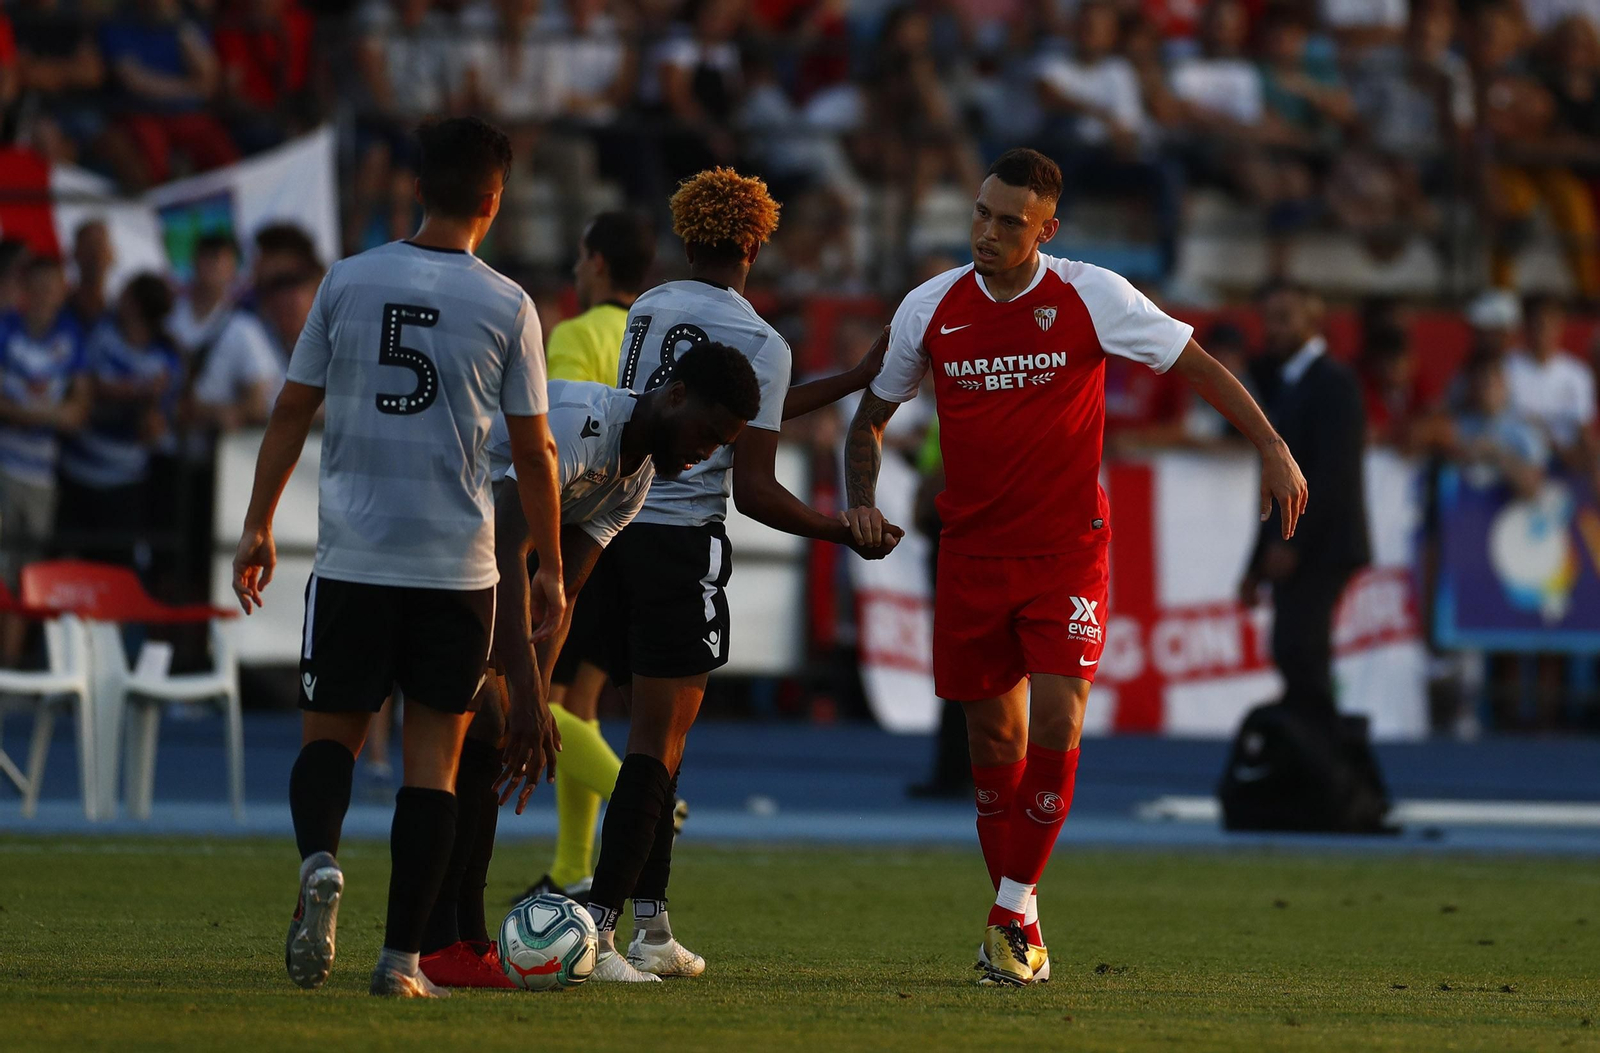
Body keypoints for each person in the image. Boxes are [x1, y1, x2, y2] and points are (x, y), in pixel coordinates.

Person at [841, 149, 1307, 987]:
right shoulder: (930, 307)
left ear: (1045, 230)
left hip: (1067, 550)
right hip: (974, 554)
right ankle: (1020, 916)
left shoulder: (1094, 295)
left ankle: (1009, 907)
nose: (986, 231)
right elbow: (867, 421)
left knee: (1058, 721)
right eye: (981, 213)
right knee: (994, 738)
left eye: (1008, 222)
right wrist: (862, 501)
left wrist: (1270, 445)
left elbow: (1193, 362)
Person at [229, 117, 566, 1000]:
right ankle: (401, 961)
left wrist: (259, 523)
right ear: (494, 203)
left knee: (330, 736)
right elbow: (535, 455)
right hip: (458, 569)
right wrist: (553, 568)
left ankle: (319, 860)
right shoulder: (507, 304)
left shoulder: (347, 280)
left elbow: (292, 410)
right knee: (435, 768)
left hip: (354, 558)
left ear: (416, 187)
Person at [580, 166, 900, 983]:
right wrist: (841, 529)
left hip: (610, 531)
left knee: (657, 740)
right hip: (682, 540)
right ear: (758, 242)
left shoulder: (648, 307)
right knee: (659, 744)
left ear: (689, 236)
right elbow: (752, 483)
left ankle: (651, 924)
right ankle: (601, 932)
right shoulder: (762, 337)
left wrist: (850, 380)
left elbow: (716, 410)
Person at [418, 349, 759, 989]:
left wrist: (538, 699)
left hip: (472, 561)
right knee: (481, 723)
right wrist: (522, 692)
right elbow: (509, 550)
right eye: (709, 433)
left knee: (494, 732)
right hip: (427, 537)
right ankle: (437, 940)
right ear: (676, 394)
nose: (708, 452)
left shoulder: (635, 479)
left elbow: (560, 595)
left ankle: (463, 938)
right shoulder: (579, 427)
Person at [520, 210, 660, 902]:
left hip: (585, 531)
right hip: (639, 530)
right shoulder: (652, 335)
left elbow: (554, 437)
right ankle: (574, 863)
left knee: (544, 695)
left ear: (598, 263)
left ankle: (643, 799)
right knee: (585, 701)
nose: (576, 269)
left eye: (580, 257)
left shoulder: (577, 334)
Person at [1237, 282, 1371, 730]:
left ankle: (1324, 756)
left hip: (1323, 543)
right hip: (1303, 540)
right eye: (1268, 319)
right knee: (1294, 649)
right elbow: (1276, 480)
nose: (1271, 330)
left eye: (1283, 318)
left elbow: (1332, 476)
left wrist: (1292, 543)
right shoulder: (1291, 383)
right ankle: (1311, 756)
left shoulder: (1333, 382)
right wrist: (1256, 564)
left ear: (1311, 321)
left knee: (1302, 649)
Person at [55, 273, 182, 570]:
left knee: (115, 572)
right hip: (76, 473)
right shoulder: (101, 333)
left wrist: (148, 403)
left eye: (124, 294)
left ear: (135, 305)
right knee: (65, 569)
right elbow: (85, 387)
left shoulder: (165, 359)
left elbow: (153, 429)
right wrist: (133, 391)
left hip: (125, 484)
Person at [0, 256, 90, 665]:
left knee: (26, 575)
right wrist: (48, 415)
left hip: (42, 478)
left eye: (52, 291)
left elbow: (77, 413)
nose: (43, 298)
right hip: (4, 468)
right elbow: (63, 413)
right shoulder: (4, 330)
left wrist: (21, 413)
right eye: (36, 289)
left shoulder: (73, 339)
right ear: (24, 291)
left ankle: (10, 667)